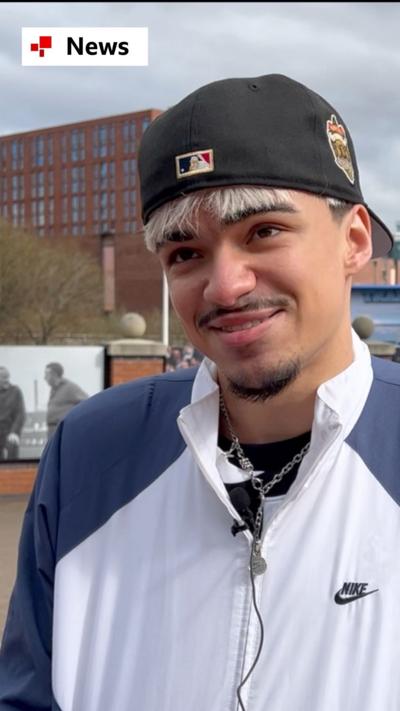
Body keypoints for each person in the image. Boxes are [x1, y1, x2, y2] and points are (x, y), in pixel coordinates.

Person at [0, 74, 398, 710]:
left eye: (263, 231)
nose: (225, 285)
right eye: (185, 252)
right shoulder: (90, 450)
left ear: (353, 241)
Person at [44, 362, 88, 439]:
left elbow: (87, 403)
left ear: (54, 374)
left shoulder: (70, 387)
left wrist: (75, 422)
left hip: (63, 431)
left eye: (46, 374)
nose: (44, 377)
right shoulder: (54, 389)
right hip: (52, 431)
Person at [0, 366, 26, 460]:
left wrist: (14, 432)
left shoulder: (15, 391)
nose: (6, 380)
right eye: (3, 378)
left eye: (7, 377)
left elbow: (21, 414)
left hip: (10, 430)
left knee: (12, 454)